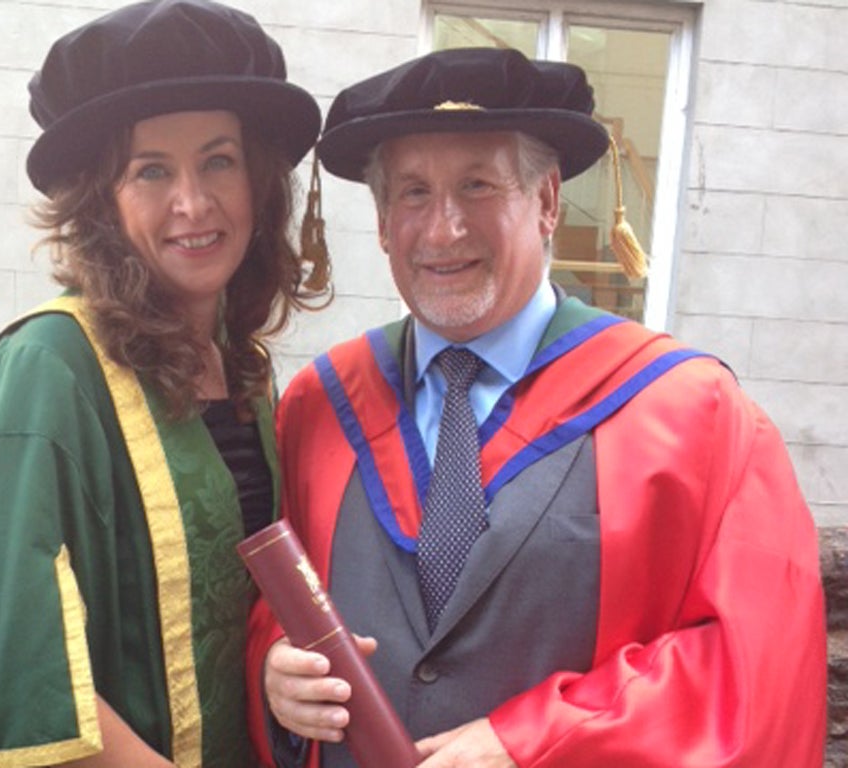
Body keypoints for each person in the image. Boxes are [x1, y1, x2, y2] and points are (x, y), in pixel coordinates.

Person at [247, 47, 827, 767]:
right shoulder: (319, 406)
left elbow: (753, 670)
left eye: (478, 185)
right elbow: (280, 608)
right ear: (381, 220)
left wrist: (536, 742)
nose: (442, 229)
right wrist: (275, 672)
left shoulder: (693, 416)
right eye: (413, 194)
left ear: (548, 201)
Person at [0, 1, 326, 766]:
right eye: (150, 170)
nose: (193, 204)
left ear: (259, 182)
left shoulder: (246, 370)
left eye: (219, 160)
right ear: (101, 201)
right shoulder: (47, 365)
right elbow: (17, 654)